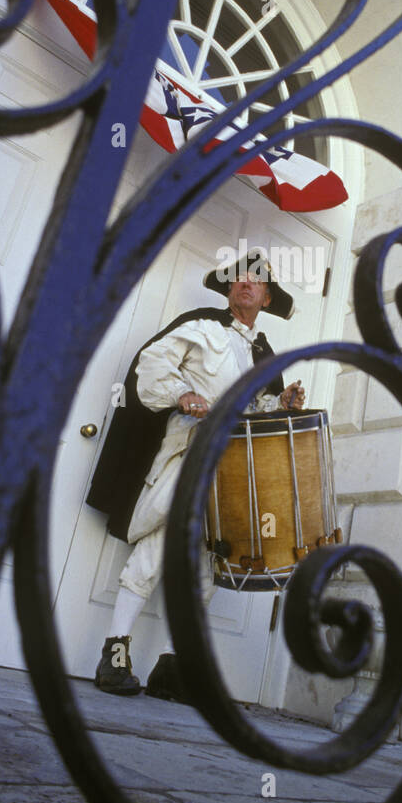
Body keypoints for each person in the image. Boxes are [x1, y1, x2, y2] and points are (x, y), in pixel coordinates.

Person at [85, 251, 305, 700]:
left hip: (232, 469)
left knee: (209, 564)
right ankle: (115, 656)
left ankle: (171, 667)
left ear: (266, 298)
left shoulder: (265, 356)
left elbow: (257, 415)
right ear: (229, 290)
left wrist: (283, 405)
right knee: (157, 548)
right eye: (239, 278)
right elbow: (152, 363)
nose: (246, 283)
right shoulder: (200, 327)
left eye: (256, 281)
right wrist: (182, 392)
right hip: (188, 451)